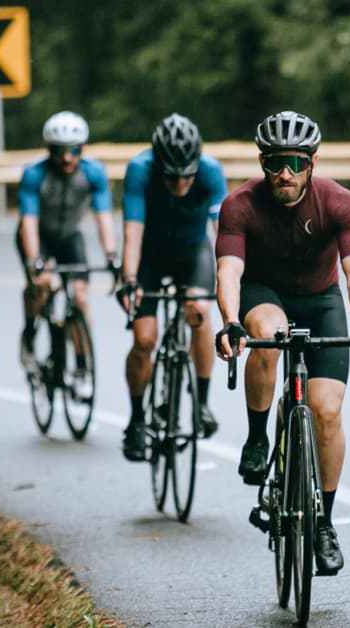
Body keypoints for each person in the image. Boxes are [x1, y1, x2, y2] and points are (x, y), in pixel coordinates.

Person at [214, 110, 350, 576]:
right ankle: (255, 439)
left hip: (321, 299)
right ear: (262, 162)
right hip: (264, 296)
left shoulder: (339, 202)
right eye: (273, 162)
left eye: (293, 161)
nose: (283, 173)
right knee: (268, 334)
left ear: (310, 162)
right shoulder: (240, 205)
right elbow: (229, 271)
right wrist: (231, 321)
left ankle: (324, 523)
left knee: (327, 411)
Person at [117, 113, 227, 462]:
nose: (180, 184)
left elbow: (223, 234)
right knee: (144, 338)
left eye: (186, 176)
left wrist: (234, 280)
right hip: (150, 255)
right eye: (171, 176)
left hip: (192, 253)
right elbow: (132, 233)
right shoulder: (140, 170)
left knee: (198, 311)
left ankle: (202, 405)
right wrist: (130, 280)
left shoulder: (210, 171)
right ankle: (136, 420)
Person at [16, 111, 118, 390]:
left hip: (71, 236)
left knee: (81, 298)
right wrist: (34, 260)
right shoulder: (34, 174)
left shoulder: (94, 173)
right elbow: (29, 221)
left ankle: (83, 367)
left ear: (82, 149)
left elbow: (104, 216)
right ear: (49, 150)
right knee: (42, 284)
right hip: (40, 236)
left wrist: (111, 255)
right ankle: (29, 332)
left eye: (73, 150)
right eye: (60, 151)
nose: (67, 158)